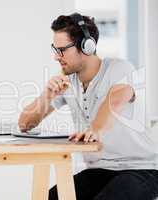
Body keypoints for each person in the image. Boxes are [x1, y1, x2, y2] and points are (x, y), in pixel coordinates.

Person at [18, 12, 158, 200]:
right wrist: (48, 94)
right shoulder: (68, 81)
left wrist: (95, 129)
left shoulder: (120, 68)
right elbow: (25, 124)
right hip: (100, 170)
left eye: (62, 50)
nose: (56, 57)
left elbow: (114, 100)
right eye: (55, 49)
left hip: (142, 169)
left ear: (87, 46)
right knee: (52, 197)